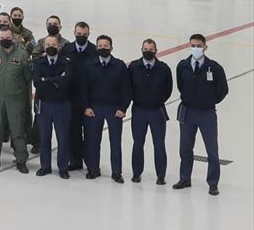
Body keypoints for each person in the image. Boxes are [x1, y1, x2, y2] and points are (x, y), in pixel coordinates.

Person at [174, 33, 228, 195]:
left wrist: (209, 101)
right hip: (188, 112)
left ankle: (213, 182)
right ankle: (185, 178)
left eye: (199, 46)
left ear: (205, 46)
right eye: (193, 46)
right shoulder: (182, 66)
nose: (196, 48)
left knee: (212, 150)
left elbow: (223, 90)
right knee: (185, 148)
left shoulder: (215, 68)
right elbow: (180, 85)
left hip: (207, 114)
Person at [81, 34, 130, 182]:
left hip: (114, 109)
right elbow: (84, 88)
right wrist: (86, 106)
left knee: (115, 142)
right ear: (96, 48)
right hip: (94, 108)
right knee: (93, 141)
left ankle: (116, 172)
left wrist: (123, 108)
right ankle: (93, 169)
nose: (103, 48)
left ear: (111, 48)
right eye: (100, 46)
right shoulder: (89, 65)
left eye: (106, 46)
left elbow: (126, 89)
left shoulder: (119, 66)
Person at [0, 29, 32, 173]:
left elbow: (27, 77)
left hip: (16, 100)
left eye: (8, 37)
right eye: (2, 37)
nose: (5, 39)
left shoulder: (22, 55)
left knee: (18, 131)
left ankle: (21, 160)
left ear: (13, 38)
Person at [129, 38, 173, 184]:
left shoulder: (163, 68)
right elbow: (129, 88)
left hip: (157, 111)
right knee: (138, 143)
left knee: (159, 143)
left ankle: (161, 175)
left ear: (156, 51)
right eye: (145, 50)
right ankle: (136, 173)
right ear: (141, 50)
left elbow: (168, 89)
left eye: (151, 50)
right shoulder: (134, 67)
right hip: (139, 111)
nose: (148, 52)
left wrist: (157, 100)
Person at [33, 34, 74, 178]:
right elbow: (37, 83)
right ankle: (45, 166)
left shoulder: (67, 62)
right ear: (44, 47)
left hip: (62, 105)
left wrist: (47, 80)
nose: (51, 47)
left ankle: (63, 168)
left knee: (63, 138)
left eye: (54, 45)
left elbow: (66, 82)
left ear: (59, 46)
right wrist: (56, 80)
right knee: (44, 137)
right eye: (48, 45)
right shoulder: (39, 62)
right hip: (44, 105)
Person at [62, 21, 95, 171]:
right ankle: (75, 160)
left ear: (89, 34)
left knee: (90, 133)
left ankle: (91, 163)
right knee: (73, 131)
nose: (81, 36)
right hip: (71, 98)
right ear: (74, 33)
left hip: (90, 99)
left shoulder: (95, 51)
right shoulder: (67, 50)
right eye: (79, 34)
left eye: (84, 34)